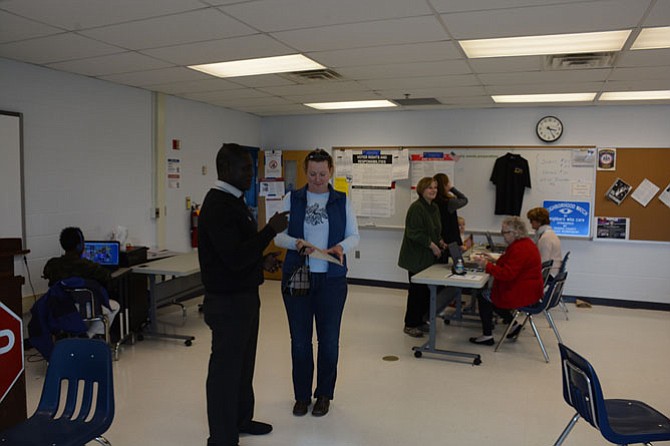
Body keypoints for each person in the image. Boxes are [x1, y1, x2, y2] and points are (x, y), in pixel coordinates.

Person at [198, 143, 289, 446]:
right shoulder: (218, 205)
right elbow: (234, 258)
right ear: (225, 170)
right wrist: (270, 231)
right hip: (227, 302)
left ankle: (241, 419)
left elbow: (239, 252)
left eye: (251, 168)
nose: (251, 174)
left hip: (245, 296)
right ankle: (222, 437)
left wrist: (262, 260)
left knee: (244, 363)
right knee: (225, 370)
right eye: (245, 168)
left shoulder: (234, 201)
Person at [274, 148, 359, 418]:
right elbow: (278, 236)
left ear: (331, 171)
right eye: (312, 174)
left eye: (323, 173)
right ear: (305, 172)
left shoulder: (342, 201)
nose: (318, 179)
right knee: (299, 341)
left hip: (332, 279)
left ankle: (324, 395)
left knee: (329, 340)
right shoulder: (292, 198)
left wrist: (341, 247)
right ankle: (301, 396)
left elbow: (354, 235)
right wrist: (296, 244)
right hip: (298, 277)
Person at [470, 216, 543, 345]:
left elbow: (507, 274)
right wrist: (493, 260)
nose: (503, 236)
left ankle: (487, 336)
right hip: (529, 290)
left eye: (505, 232)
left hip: (522, 292)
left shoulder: (519, 248)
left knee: (484, 296)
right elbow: (510, 263)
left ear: (515, 233)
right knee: (491, 296)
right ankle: (513, 325)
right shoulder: (524, 244)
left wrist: (486, 265)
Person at [42, 226, 120, 339]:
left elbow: (47, 274)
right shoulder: (88, 266)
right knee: (114, 306)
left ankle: (73, 337)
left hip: (60, 309)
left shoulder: (52, 265)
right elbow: (107, 277)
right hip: (84, 308)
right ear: (79, 245)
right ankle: (88, 336)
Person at [398, 177, 446, 338]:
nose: (433, 190)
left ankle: (421, 321)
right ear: (421, 190)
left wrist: (440, 241)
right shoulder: (416, 208)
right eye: (429, 188)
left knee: (426, 292)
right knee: (417, 293)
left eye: (435, 188)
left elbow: (435, 230)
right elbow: (414, 233)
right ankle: (410, 324)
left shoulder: (434, 208)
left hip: (428, 258)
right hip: (416, 257)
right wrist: (432, 245)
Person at [433, 173, 468, 258]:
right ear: (445, 185)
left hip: (438, 239)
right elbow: (464, 199)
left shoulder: (432, 201)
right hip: (451, 240)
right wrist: (452, 188)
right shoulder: (449, 202)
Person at [526, 207, 562, 278]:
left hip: (550, 273)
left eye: (531, 220)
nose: (530, 223)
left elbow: (543, 261)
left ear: (539, 221)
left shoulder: (546, 237)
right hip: (552, 271)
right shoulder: (547, 234)